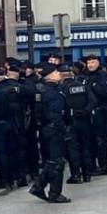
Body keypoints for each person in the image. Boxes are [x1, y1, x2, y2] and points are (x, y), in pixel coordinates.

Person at [29, 64, 70, 203]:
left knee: (51, 161)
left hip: (45, 129)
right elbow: (56, 114)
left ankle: (39, 187)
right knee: (57, 162)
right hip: (54, 129)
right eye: (56, 72)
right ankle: (54, 193)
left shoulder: (41, 91)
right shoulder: (53, 93)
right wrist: (62, 130)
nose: (59, 74)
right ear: (50, 75)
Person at [0, 66, 27, 189]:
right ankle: (19, 176)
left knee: (1, 153)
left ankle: (4, 179)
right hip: (15, 123)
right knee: (15, 151)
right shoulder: (13, 88)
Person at [60, 64, 96, 183]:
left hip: (70, 122)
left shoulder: (62, 89)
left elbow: (62, 107)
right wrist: (85, 111)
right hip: (84, 120)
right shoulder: (83, 86)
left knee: (73, 149)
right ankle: (87, 173)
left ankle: (76, 175)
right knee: (85, 146)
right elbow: (93, 101)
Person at [84, 56, 107, 176]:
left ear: (98, 63)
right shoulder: (86, 76)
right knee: (91, 141)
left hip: (100, 111)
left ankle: (103, 166)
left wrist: (94, 86)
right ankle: (93, 166)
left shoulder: (103, 75)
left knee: (101, 140)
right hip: (90, 113)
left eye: (93, 62)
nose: (90, 65)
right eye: (88, 62)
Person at [21, 61, 41, 179]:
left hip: (30, 117)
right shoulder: (31, 81)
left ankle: (32, 169)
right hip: (29, 117)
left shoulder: (30, 82)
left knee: (30, 144)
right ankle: (33, 169)